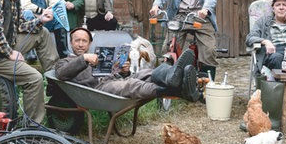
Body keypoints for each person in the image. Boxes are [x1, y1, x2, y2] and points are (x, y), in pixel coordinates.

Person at [55, 27, 200, 102]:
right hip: (98, 89)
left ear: (90, 43)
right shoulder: (65, 61)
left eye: (84, 41)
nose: (80, 44)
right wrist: (84, 59)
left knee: (145, 73)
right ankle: (180, 89)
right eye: (77, 41)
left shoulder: (98, 57)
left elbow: (115, 73)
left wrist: (123, 71)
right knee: (131, 85)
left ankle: (173, 74)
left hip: (115, 80)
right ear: (71, 42)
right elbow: (62, 74)